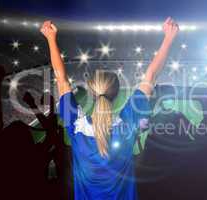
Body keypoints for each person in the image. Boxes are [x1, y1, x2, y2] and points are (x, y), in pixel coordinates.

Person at [40, 17, 179, 199]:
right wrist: (169, 38)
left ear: (91, 93)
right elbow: (151, 76)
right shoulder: (128, 122)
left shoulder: (76, 125)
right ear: (116, 93)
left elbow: (61, 80)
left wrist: (50, 38)